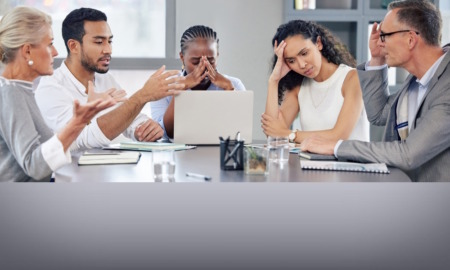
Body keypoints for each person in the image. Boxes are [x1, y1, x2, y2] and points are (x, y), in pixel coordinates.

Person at [300, 0, 450, 182]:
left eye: (385, 36)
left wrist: (336, 147)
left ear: (410, 39)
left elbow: (409, 154)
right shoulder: (418, 80)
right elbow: (379, 114)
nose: (380, 42)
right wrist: (377, 60)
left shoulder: (446, 85)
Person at [35, 8, 184, 151]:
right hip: (69, 174)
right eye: (99, 42)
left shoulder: (105, 79)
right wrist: (143, 95)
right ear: (74, 46)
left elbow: (130, 118)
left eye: (109, 41)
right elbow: (83, 138)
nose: (108, 50)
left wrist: (144, 129)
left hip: (105, 171)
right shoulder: (51, 88)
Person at [0, 6, 116, 181]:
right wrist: (78, 123)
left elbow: (45, 153)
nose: (55, 52)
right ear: (27, 51)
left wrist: (83, 120)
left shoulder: (21, 90)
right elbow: (34, 165)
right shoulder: (11, 93)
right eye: (49, 44)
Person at [262, 20, 369, 144]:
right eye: (291, 61)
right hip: (313, 163)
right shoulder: (299, 87)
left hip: (352, 163)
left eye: (304, 53)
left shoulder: (352, 78)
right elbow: (273, 134)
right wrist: (274, 80)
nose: (301, 65)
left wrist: (288, 134)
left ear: (318, 43)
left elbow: (339, 136)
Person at [150, 25, 246, 139]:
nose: (204, 67)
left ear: (217, 57)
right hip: (177, 155)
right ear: (182, 57)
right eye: (195, 62)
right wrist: (181, 88)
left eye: (211, 61)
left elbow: (240, 132)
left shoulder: (234, 84)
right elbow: (168, 133)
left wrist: (229, 89)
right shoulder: (165, 87)